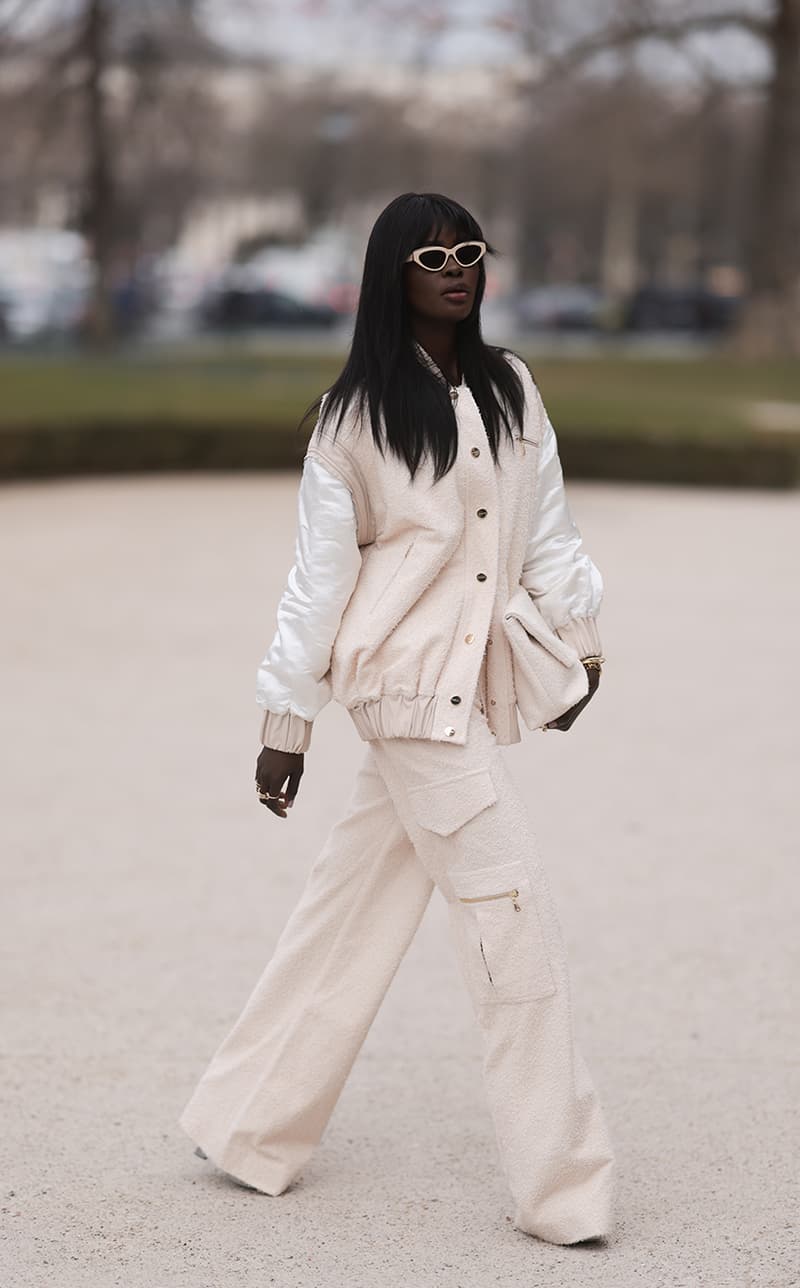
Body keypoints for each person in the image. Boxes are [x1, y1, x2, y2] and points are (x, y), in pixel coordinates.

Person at [179, 192, 616, 1247]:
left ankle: (245, 1122)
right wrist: (286, 723)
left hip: (472, 682)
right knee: (511, 917)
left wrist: (581, 639)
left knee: (352, 909)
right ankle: (562, 1187)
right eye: (433, 254)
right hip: (406, 700)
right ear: (393, 273)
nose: (457, 268)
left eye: (470, 250)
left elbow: (546, 529)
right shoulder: (353, 416)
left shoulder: (512, 387)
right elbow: (314, 585)